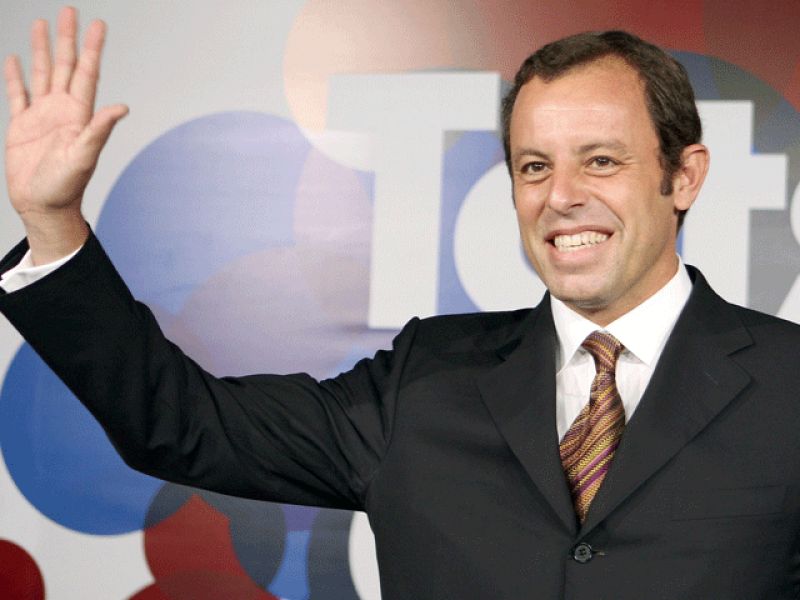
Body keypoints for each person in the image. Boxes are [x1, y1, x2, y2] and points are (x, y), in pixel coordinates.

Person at [2, 6, 800, 599]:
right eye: (533, 166)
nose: (560, 196)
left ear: (683, 176)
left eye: (600, 161)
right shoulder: (425, 378)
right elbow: (180, 424)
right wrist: (52, 220)